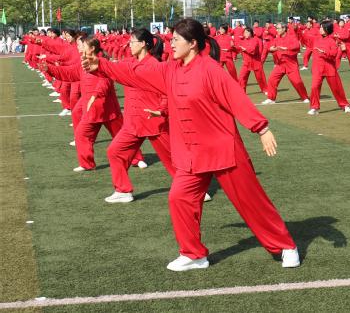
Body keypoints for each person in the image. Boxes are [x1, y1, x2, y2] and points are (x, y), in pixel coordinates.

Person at [83, 18, 300, 270]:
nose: (171, 44)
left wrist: (261, 128)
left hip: (223, 150)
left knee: (252, 202)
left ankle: (286, 246)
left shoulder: (211, 70)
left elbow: (235, 98)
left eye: (176, 40)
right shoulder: (170, 70)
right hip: (190, 153)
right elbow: (135, 74)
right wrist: (102, 66)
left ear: (193, 43)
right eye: (172, 39)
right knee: (179, 198)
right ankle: (194, 254)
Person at [42, 36, 142, 172]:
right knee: (81, 135)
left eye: (83, 45)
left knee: (123, 136)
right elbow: (69, 73)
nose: (80, 48)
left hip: (108, 109)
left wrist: (95, 95)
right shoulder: (82, 63)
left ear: (92, 48)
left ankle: (137, 158)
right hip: (91, 111)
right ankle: (87, 164)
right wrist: (49, 69)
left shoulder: (103, 62)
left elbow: (105, 82)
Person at [103, 29, 178, 203]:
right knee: (115, 151)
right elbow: (111, 69)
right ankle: (123, 191)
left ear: (143, 44)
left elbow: (166, 92)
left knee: (174, 160)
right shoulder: (128, 63)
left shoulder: (155, 65)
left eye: (132, 42)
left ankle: (196, 190)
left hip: (154, 121)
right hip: (133, 122)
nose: (129, 45)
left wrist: (162, 110)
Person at [308, 20, 350, 115]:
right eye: (320, 27)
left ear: (327, 29)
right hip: (317, 68)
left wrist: (324, 52)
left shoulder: (332, 41)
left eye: (322, 28)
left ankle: (345, 105)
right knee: (314, 87)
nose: (320, 29)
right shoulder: (316, 39)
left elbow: (334, 54)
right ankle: (314, 107)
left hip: (329, 68)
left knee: (337, 88)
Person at [261, 23, 309, 104]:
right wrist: (272, 49)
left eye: (279, 28)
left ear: (284, 29)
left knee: (297, 82)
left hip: (291, 64)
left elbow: (297, 46)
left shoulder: (292, 37)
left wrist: (286, 48)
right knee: (272, 80)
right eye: (276, 28)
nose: (277, 30)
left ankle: (304, 97)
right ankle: (271, 98)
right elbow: (271, 47)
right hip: (280, 64)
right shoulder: (276, 39)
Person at [238, 27, 268, 94]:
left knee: (260, 77)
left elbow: (253, 50)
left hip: (256, 62)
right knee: (242, 77)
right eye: (244, 32)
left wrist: (245, 49)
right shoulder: (242, 41)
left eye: (247, 32)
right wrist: (232, 47)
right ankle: (242, 91)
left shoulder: (255, 40)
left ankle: (265, 90)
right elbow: (238, 49)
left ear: (251, 33)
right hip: (246, 62)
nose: (245, 34)